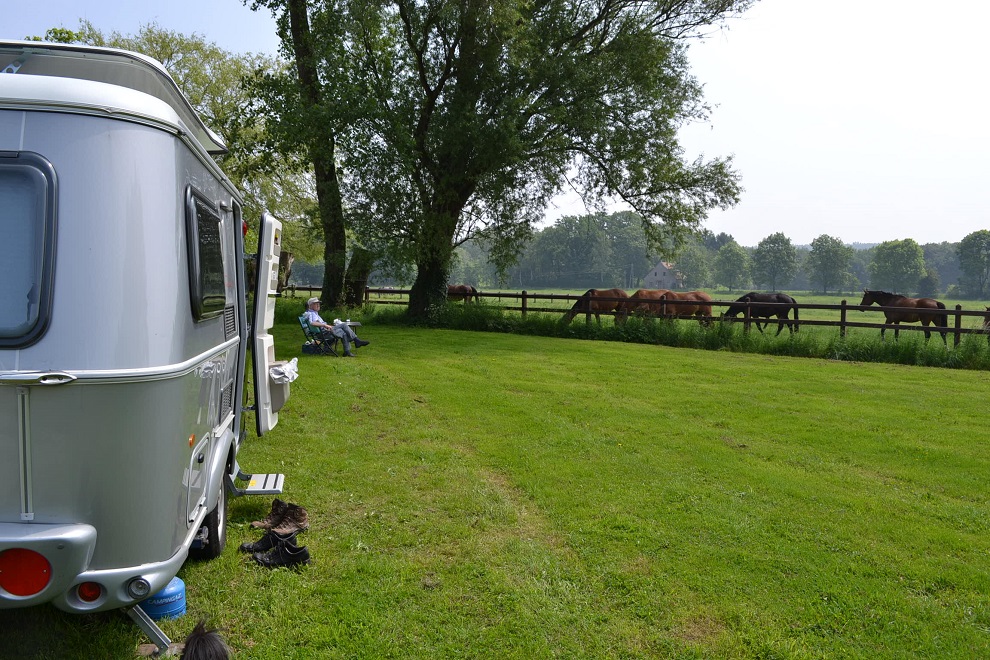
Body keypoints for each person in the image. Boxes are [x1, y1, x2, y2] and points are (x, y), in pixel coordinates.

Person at [303, 297, 370, 357]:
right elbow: (312, 323)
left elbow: (315, 323)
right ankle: (356, 341)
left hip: (323, 331)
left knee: (344, 332)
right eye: (316, 304)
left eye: (318, 304)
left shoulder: (313, 313)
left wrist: (327, 326)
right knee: (344, 325)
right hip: (324, 333)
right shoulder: (312, 313)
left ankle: (347, 351)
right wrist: (325, 325)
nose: (318, 305)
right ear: (310, 305)